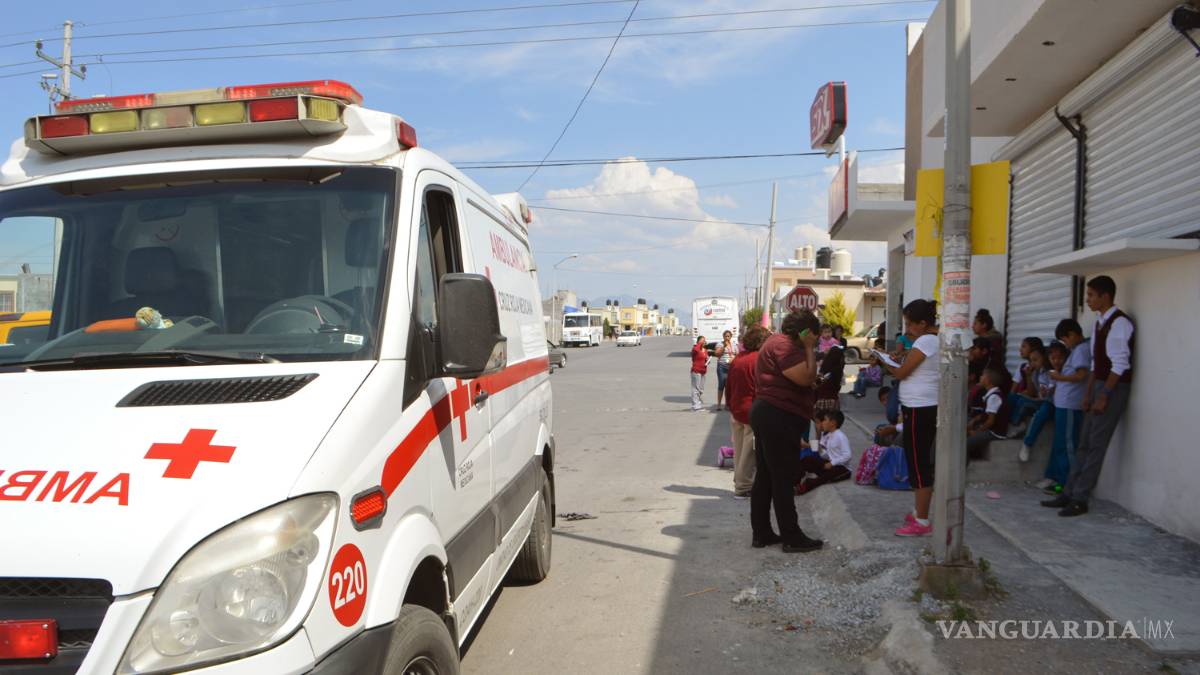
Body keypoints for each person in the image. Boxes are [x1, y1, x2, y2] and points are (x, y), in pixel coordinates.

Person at [1043, 276, 1134, 517]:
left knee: (1096, 445)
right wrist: (1089, 392)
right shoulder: (1098, 323)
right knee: (1084, 443)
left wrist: (1104, 394)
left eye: (1091, 295)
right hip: (1097, 386)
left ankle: (1081, 497)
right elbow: (1096, 364)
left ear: (1105, 296)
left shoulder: (1120, 323)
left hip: (1112, 388)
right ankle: (1069, 491)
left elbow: (1120, 364)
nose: (1088, 300)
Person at [749, 310, 824, 553]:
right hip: (777, 415)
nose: (816, 341)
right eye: (814, 336)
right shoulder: (785, 345)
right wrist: (810, 349)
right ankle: (792, 537)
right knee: (783, 478)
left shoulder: (777, 342)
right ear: (805, 332)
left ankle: (761, 533)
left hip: (769, 413)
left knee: (767, 476)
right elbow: (805, 378)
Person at [881, 299, 939, 537]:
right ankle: (919, 512)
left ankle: (922, 521)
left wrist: (888, 362)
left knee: (918, 464)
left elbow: (903, 373)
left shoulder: (926, 340)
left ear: (923, 323)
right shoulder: (931, 340)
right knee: (918, 460)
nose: (907, 329)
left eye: (909, 324)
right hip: (921, 406)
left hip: (920, 407)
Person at [1037, 329, 1087, 492]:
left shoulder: (1080, 351)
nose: (1056, 361)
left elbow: (1081, 376)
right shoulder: (1058, 369)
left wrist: (1058, 378)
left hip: (1070, 407)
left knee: (1068, 447)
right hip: (1061, 407)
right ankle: (1060, 481)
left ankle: (1068, 485)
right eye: (1053, 358)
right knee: (1060, 446)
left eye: (1060, 357)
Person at [726, 326, 768, 499]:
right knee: (749, 452)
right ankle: (743, 488)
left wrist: (730, 405)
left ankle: (739, 482)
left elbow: (729, 386)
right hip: (751, 411)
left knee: (739, 449)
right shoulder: (758, 360)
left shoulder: (738, 359)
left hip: (737, 410)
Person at [1010, 345, 1053, 461]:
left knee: (1041, 412)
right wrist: (1029, 376)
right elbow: (1031, 392)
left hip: (1050, 404)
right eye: (1031, 361)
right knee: (1014, 398)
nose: (1032, 364)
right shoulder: (1036, 373)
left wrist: (1037, 398)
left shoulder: (1050, 373)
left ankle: (1027, 443)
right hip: (1039, 401)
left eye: (1035, 360)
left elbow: (1049, 396)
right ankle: (1015, 424)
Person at [795, 410, 853, 494]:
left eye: (825, 420)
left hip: (843, 469)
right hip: (830, 464)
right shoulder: (829, 435)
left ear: (832, 423)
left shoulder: (840, 436)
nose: (823, 423)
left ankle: (806, 486)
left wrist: (832, 463)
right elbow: (828, 455)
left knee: (824, 477)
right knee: (807, 460)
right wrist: (820, 450)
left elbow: (848, 455)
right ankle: (794, 481)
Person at [966, 367, 1012, 460]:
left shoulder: (994, 397)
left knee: (965, 443)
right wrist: (974, 421)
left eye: (983, 376)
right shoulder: (990, 395)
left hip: (995, 432)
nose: (980, 377)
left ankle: (964, 468)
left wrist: (976, 432)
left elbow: (990, 421)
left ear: (987, 380)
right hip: (989, 429)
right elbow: (984, 415)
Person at [815, 338, 845, 412]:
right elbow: (840, 385)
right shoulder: (839, 371)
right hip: (833, 401)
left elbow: (817, 384)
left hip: (820, 401)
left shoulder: (823, 369)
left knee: (821, 422)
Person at [714, 330, 738, 411]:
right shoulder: (720, 344)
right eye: (725, 336)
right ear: (723, 336)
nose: (727, 338)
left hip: (731, 368)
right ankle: (719, 405)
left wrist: (734, 358)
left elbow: (738, 355)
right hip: (722, 367)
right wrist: (723, 346)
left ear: (731, 337)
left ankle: (727, 404)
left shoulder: (734, 345)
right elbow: (717, 354)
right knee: (721, 385)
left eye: (728, 336)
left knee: (729, 386)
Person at [690, 336, 708, 411]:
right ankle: (695, 406)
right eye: (702, 341)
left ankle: (698, 404)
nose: (704, 342)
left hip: (703, 371)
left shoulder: (705, 350)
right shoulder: (695, 349)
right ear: (698, 342)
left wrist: (707, 360)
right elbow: (696, 350)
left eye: (704, 341)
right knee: (695, 388)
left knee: (701, 389)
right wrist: (699, 344)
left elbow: (705, 358)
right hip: (696, 371)